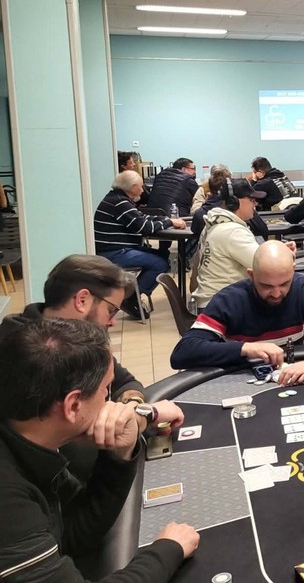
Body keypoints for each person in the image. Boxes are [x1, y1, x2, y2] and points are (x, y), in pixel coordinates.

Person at [0, 317, 200, 582]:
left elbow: (72, 533)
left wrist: (119, 454)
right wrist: (167, 550)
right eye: (106, 391)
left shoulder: (32, 440)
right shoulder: (8, 496)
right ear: (73, 406)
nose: (111, 402)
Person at [0, 255, 185, 466]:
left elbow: (126, 382)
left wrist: (129, 406)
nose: (113, 322)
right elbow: (76, 433)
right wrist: (145, 415)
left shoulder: (79, 341)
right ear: (82, 300)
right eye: (111, 311)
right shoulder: (24, 352)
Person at [171, 242, 304, 384]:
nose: (276, 293)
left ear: (293, 272)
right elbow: (183, 352)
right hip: (238, 378)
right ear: (251, 275)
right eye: (266, 286)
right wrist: (246, 348)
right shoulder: (229, 299)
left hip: (288, 376)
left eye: (284, 283)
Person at [195, 179, 297, 311]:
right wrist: (289, 256)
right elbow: (268, 266)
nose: (255, 204)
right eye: (251, 200)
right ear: (234, 202)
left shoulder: (214, 224)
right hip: (224, 306)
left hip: (213, 302)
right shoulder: (233, 231)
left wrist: (280, 250)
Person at [94, 170, 186, 316]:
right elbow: (144, 227)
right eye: (141, 186)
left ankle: (134, 295)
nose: (143, 190)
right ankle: (131, 298)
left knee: (162, 255)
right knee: (160, 264)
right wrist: (169, 222)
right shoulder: (121, 203)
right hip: (114, 252)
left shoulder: (116, 199)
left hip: (116, 248)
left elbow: (141, 218)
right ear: (131, 187)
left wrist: (165, 220)